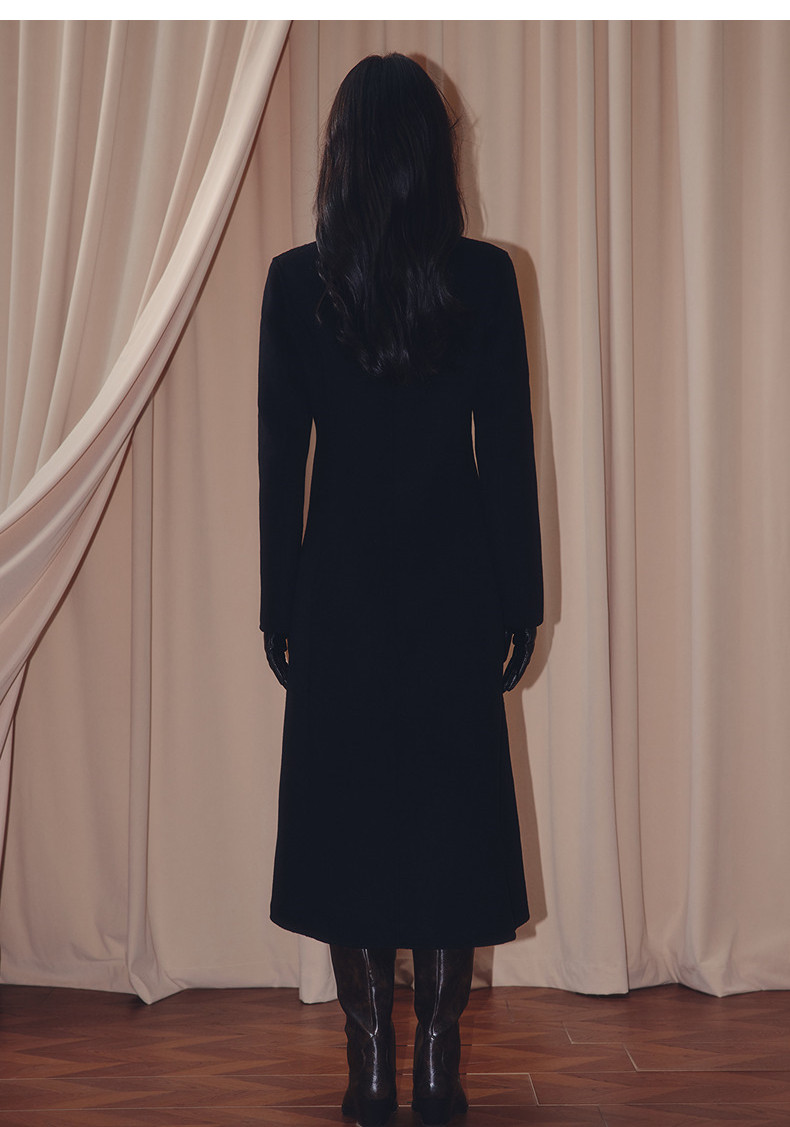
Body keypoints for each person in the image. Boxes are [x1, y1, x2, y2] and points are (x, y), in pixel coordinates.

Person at [258, 53, 543, 1127]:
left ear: (342, 155)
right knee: (450, 819)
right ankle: (437, 1065)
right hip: (453, 586)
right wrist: (521, 597)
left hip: (337, 590)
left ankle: (370, 1061)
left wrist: (278, 604)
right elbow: (506, 457)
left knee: (348, 821)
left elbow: (279, 464)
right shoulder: (484, 279)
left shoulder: (298, 283)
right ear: (434, 154)